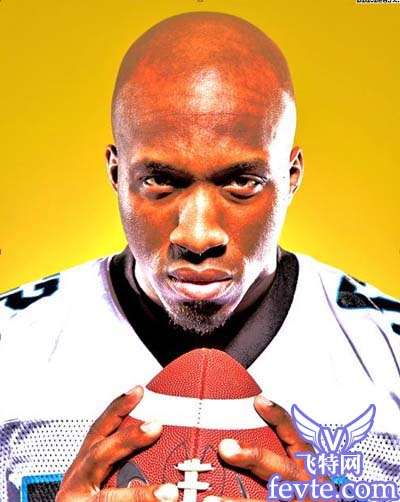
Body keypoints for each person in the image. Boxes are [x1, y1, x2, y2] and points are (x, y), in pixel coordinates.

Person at [0, 11, 399, 502]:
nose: (198, 234)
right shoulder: (11, 346)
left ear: (291, 176)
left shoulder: (387, 355)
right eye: (160, 181)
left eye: (242, 182)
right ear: (116, 173)